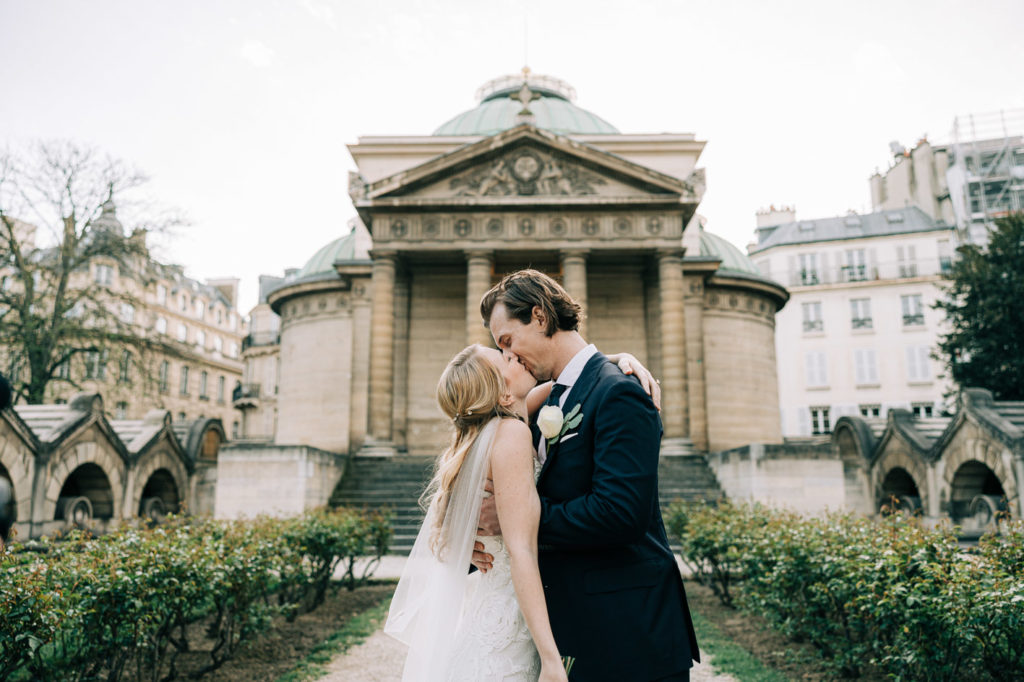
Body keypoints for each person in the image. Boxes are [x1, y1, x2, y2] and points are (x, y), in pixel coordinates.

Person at [475, 269, 699, 682]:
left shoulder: (620, 392)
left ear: (540, 317)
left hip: (631, 640)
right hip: (583, 633)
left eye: (508, 342)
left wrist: (514, 522)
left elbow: (618, 514)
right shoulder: (548, 399)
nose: (508, 357)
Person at [386, 343, 658, 681]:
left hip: (494, 617)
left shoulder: (503, 420)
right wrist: (551, 659)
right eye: (507, 359)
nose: (516, 356)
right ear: (501, 394)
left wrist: (616, 359)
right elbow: (521, 552)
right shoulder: (511, 432)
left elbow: (573, 378)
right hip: (511, 627)